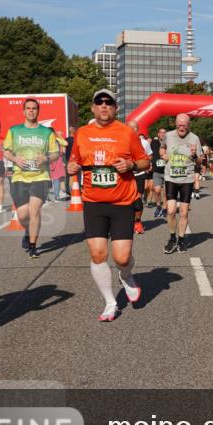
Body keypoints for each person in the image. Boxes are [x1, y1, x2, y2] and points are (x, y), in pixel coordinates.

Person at [66, 89, 149, 322]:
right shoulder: (82, 133)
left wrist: (131, 164)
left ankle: (126, 275)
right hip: (93, 202)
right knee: (98, 254)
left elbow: (145, 161)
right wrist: (71, 168)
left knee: (122, 258)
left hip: (122, 202)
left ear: (115, 108)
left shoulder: (126, 133)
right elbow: (74, 161)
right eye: (99, 102)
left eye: (108, 102)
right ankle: (110, 302)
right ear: (93, 108)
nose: (103, 106)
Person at [3, 98, 59, 258]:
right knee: (22, 214)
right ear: (23, 111)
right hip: (19, 177)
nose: (31, 111)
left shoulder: (46, 132)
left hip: (40, 176)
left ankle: (33, 246)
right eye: (28, 108)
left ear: (38, 111)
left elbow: (56, 153)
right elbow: (6, 150)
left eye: (34, 108)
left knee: (34, 210)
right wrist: (15, 159)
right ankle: (27, 231)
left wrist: (46, 158)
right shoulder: (14, 131)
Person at [161, 114, 202, 253]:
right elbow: (162, 149)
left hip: (187, 178)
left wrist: (195, 155)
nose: (181, 127)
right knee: (171, 210)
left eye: (184, 125)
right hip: (171, 177)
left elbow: (200, 161)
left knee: (184, 212)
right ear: (176, 125)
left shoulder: (194, 138)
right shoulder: (168, 135)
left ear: (188, 125)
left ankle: (181, 240)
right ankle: (172, 238)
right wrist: (163, 155)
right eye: (179, 125)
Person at [127, 121, 152, 235]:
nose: (132, 130)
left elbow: (150, 155)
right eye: (130, 128)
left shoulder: (144, 143)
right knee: (126, 201)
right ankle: (126, 222)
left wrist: (145, 164)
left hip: (139, 175)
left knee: (138, 200)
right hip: (125, 176)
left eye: (135, 128)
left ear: (138, 129)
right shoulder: (121, 141)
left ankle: (137, 222)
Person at [149, 127, 167, 217]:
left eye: (164, 132)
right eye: (161, 132)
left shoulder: (169, 142)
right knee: (157, 190)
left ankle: (164, 208)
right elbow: (150, 154)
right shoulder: (154, 143)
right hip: (157, 170)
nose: (163, 134)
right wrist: (150, 164)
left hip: (167, 170)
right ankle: (158, 206)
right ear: (158, 134)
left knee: (166, 192)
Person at [48, 130, 68, 202]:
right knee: (56, 178)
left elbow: (65, 143)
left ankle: (52, 196)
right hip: (55, 159)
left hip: (50, 159)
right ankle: (55, 196)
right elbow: (65, 143)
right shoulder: (56, 139)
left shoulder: (47, 140)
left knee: (53, 178)